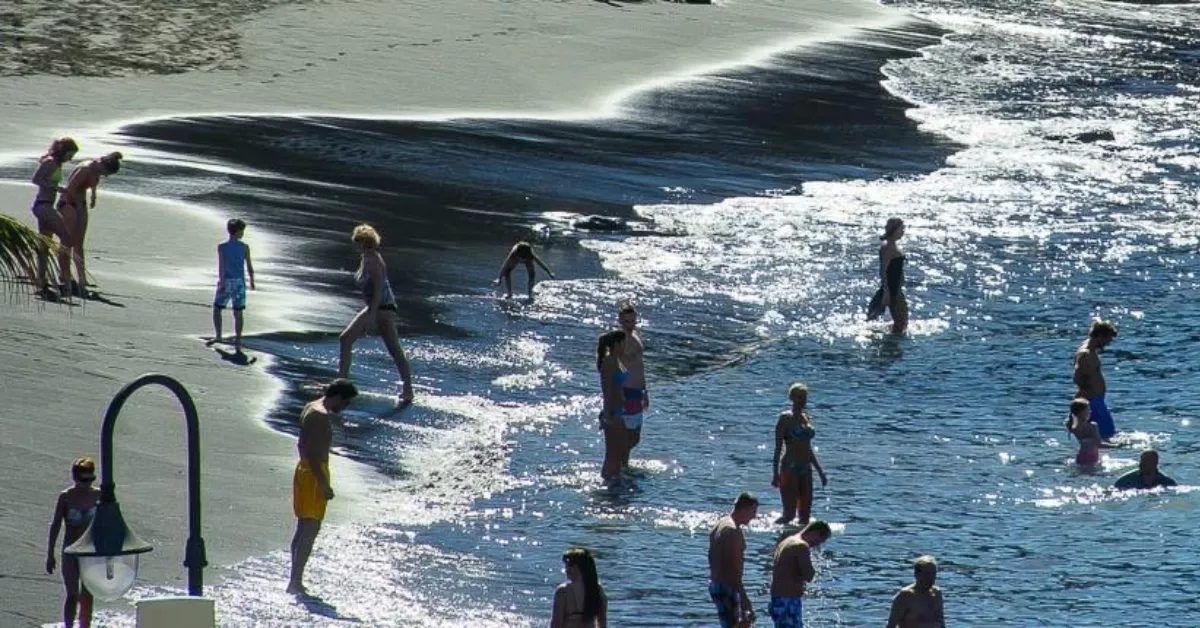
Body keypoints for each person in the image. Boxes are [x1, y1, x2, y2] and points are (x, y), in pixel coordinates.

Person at [288, 378, 358, 595]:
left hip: (304, 469)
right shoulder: (320, 416)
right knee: (311, 527)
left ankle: (294, 578)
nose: (345, 407)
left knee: (303, 526)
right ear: (337, 397)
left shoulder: (310, 406)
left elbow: (302, 445)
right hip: (314, 473)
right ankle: (295, 581)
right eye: (345, 402)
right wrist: (324, 484)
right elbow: (315, 455)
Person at [337, 224, 414, 402]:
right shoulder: (366, 258)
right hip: (375, 306)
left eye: (358, 241)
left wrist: (371, 317)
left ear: (364, 242)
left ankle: (408, 390)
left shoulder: (374, 261)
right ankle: (340, 384)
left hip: (383, 308)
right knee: (345, 339)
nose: (355, 244)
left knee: (394, 349)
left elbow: (379, 290)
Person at [45, 457, 102, 628]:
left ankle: (85, 626)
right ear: (75, 478)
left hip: (91, 552)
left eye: (90, 480)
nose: (86, 484)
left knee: (88, 594)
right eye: (83, 480)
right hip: (70, 551)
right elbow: (56, 525)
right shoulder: (66, 497)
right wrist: (50, 553)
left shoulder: (98, 495)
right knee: (72, 594)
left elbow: (106, 524)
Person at [57, 152, 122, 298]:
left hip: (80, 204)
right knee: (67, 241)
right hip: (69, 204)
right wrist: (74, 206)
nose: (104, 176)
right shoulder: (86, 168)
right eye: (105, 173)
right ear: (103, 166)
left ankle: (82, 278)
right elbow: (70, 189)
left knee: (79, 243)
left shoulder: (96, 169)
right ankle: (64, 274)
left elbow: (93, 182)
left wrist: (93, 196)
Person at [771, 384, 828, 525]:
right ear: (792, 398)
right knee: (789, 515)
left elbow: (808, 448)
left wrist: (820, 472)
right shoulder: (785, 419)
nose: (803, 400)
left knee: (805, 517)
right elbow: (778, 448)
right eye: (800, 397)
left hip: (806, 467)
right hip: (790, 467)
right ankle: (776, 533)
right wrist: (775, 474)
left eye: (805, 397)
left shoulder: (805, 418)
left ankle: (801, 537)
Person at [30, 137, 79, 298]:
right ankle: (64, 276)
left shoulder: (57, 164)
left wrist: (58, 189)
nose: (71, 158)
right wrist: (56, 188)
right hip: (43, 205)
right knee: (66, 238)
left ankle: (41, 281)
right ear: (64, 151)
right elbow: (36, 179)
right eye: (70, 154)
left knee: (44, 244)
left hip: (47, 205)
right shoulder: (50, 162)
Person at [768, 519, 832, 628]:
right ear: (815, 533)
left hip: (777, 599)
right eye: (819, 541)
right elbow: (809, 575)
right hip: (788, 600)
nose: (817, 545)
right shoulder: (801, 546)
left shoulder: (787, 541)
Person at [708, 492, 759, 628]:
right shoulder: (732, 531)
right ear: (744, 509)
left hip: (715, 584)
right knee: (741, 623)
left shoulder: (720, 524)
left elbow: (711, 557)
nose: (754, 516)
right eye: (753, 511)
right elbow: (733, 571)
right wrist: (745, 601)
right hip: (727, 587)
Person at [210, 218, 257, 354]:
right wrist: (252, 281)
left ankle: (219, 335)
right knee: (238, 312)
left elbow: (222, 266)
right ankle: (238, 340)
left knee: (218, 308)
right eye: (242, 231)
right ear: (237, 231)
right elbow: (249, 266)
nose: (243, 233)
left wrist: (222, 281)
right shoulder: (244, 247)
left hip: (227, 281)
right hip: (239, 283)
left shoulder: (222, 247)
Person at [1074, 321, 1118, 440]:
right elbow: (1077, 378)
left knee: (1103, 436)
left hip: (1097, 400)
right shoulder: (1086, 354)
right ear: (1100, 336)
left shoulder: (1090, 350)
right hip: (1093, 402)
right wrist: (1087, 393)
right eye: (1107, 339)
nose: (1108, 343)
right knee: (1105, 436)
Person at [617, 302, 648, 466]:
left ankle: (622, 464)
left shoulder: (635, 336)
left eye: (632, 321)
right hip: (626, 392)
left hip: (637, 392)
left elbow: (639, 366)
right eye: (626, 321)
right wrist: (616, 392)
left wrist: (645, 391)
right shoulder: (619, 341)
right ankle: (620, 465)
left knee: (634, 437)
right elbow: (613, 366)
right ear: (620, 322)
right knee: (626, 436)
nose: (630, 324)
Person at [596, 329, 629, 481]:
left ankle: (615, 477)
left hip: (619, 410)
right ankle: (608, 479)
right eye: (623, 343)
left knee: (621, 448)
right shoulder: (609, 362)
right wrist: (607, 415)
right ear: (616, 344)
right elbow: (608, 390)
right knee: (612, 452)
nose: (625, 346)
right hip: (613, 411)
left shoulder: (617, 360)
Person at [867, 218, 908, 334]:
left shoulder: (893, 246)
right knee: (901, 324)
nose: (903, 231)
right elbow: (883, 270)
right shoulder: (887, 248)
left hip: (896, 288)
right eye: (901, 229)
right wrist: (886, 292)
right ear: (894, 230)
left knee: (901, 323)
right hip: (891, 290)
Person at [551, 547, 608, 628]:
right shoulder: (597, 590)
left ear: (576, 567)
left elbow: (556, 623)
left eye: (567, 566)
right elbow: (602, 623)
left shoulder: (563, 591)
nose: (565, 570)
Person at [886, 555, 947, 628]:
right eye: (926, 574)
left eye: (933, 574)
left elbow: (942, 622)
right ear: (916, 574)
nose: (930, 578)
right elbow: (891, 625)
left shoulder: (937, 593)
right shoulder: (905, 596)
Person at [1064, 397, 1108, 466]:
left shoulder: (1072, 427)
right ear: (1081, 412)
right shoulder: (1092, 426)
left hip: (1080, 457)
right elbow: (1099, 444)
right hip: (1093, 457)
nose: (1090, 411)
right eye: (1088, 409)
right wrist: (1117, 446)